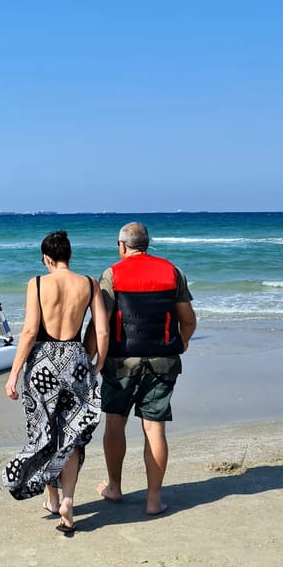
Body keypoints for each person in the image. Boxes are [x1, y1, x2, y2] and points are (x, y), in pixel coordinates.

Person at [1, 230, 109, 535]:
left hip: (42, 365)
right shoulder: (89, 284)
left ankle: (51, 497)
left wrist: (12, 375)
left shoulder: (37, 284)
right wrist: (96, 365)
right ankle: (68, 501)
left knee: (44, 430)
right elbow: (101, 333)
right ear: (69, 256)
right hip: (75, 361)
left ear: (47, 259)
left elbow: (29, 332)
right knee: (71, 433)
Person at [91, 221, 197, 516]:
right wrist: (183, 342)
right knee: (154, 428)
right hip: (163, 362)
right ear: (147, 244)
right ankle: (153, 500)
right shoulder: (172, 272)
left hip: (121, 363)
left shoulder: (112, 274)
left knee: (114, 423)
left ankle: (114, 487)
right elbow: (188, 319)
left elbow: (101, 323)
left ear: (122, 246)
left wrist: (92, 357)